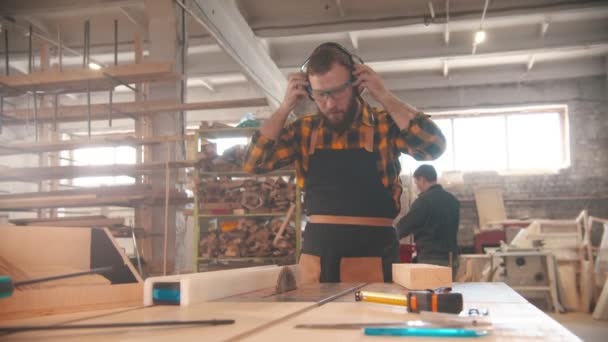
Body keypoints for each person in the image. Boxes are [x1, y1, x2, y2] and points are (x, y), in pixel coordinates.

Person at [244, 42, 446, 283]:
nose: (330, 104)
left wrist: (384, 96)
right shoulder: (304, 131)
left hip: (374, 254)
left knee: (368, 319)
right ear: (309, 91)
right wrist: (285, 107)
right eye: (320, 95)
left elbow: (434, 147)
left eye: (337, 92)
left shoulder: (384, 125)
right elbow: (253, 163)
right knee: (312, 321)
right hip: (317, 256)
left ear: (357, 85)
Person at [395, 164, 460, 277]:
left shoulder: (424, 202)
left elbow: (405, 226)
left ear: (423, 180)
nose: (417, 186)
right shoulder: (452, 200)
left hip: (431, 260)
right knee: (447, 293)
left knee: (430, 294)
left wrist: (389, 237)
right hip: (451, 259)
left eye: (417, 182)